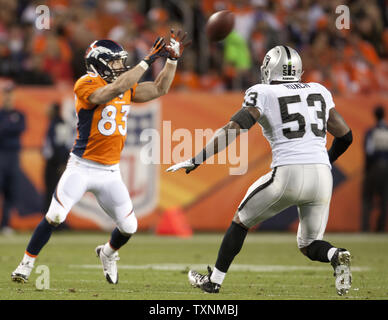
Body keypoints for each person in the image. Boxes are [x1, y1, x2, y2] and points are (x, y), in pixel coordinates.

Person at [167, 45, 354, 296]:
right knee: (309, 245)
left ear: (269, 68)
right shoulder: (319, 90)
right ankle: (336, 255)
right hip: (322, 176)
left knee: (241, 221)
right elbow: (345, 136)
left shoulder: (263, 92)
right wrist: (326, 162)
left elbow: (235, 127)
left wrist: (198, 158)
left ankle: (214, 281)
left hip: (288, 173)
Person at [11, 30, 190, 284]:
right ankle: (26, 264)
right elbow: (111, 91)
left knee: (129, 227)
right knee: (56, 216)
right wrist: (147, 60)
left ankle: (107, 253)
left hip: (110, 172)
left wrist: (172, 60)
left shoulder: (126, 85)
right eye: (115, 61)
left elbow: (160, 88)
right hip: (81, 166)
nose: (120, 65)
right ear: (98, 62)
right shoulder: (86, 83)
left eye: (121, 61)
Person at [0, 83, 26, 235]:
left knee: (11, 191)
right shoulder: (2, 113)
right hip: (1, 154)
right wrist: (9, 126)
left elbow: (20, 129)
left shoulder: (20, 114)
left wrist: (6, 127)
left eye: (11, 94)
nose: (9, 97)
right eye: (6, 94)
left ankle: (6, 225)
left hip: (13, 155)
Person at [42, 102, 73, 213]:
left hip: (56, 164)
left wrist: (62, 163)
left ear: (54, 110)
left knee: (55, 191)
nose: (47, 111)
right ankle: (49, 218)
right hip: (52, 162)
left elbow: (62, 145)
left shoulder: (60, 124)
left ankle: (56, 219)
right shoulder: (54, 122)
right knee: (50, 191)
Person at [362, 105, 388, 232]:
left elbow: (369, 151)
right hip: (386, 167)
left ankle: (365, 228)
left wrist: (367, 169)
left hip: (374, 167)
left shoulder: (372, 132)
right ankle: (381, 228)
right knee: (384, 199)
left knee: (367, 198)